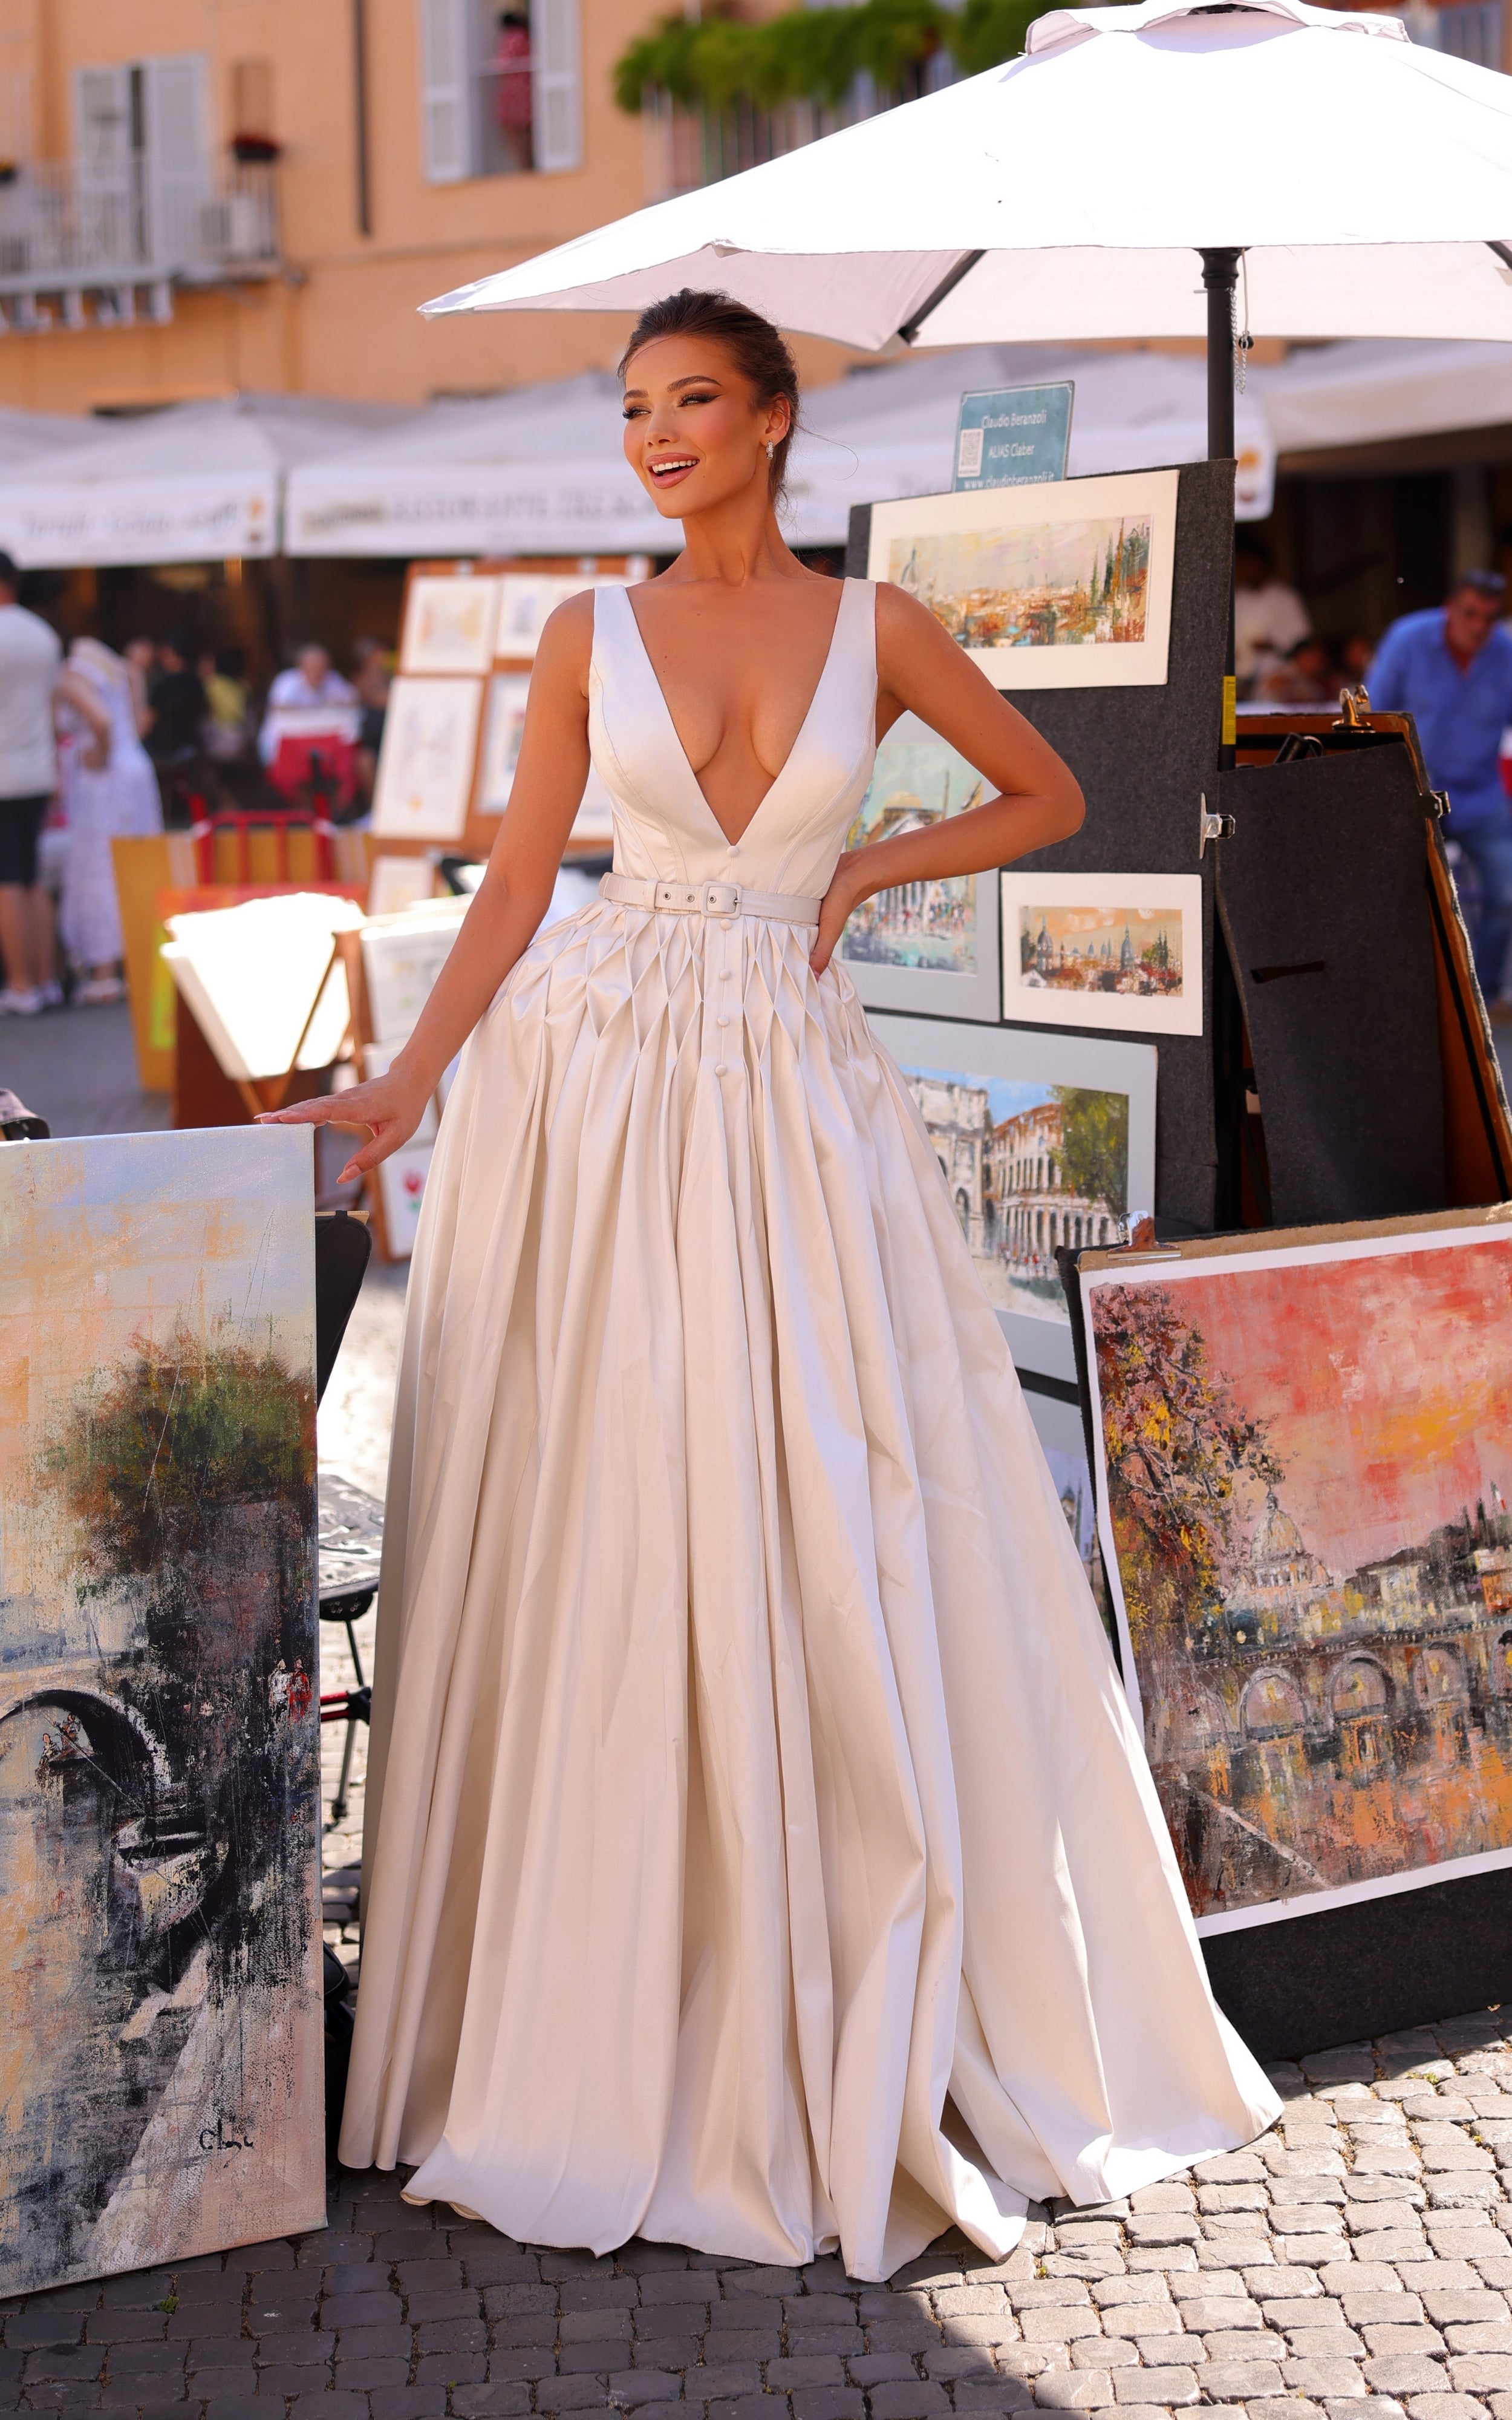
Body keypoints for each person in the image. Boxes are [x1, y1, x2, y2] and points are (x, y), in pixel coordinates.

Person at [262, 289, 1278, 2278]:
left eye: (692, 402)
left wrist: (873, 870)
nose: (656, 436)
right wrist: (403, 1081)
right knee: (615, 1486)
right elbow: (519, 877)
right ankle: (609, 1966)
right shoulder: (587, 632)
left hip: (795, 1088)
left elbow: (1051, 797)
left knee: (825, 1485)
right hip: (599, 1077)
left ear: (774, 418)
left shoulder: (876, 627)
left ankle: (819, 1947)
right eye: (633, 409)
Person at [1369, 570, 1512, 1002]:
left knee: (1507, 893)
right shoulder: (1407, 639)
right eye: (1470, 614)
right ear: (1449, 608)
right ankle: (1403, 992)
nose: (1479, 627)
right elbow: (1374, 713)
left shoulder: (1506, 652)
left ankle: (1482, 995)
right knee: (1396, 892)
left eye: (1490, 618)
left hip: (1478, 793)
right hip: (1413, 790)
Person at [55, 637, 162, 1003]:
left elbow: (101, 721)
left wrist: (99, 754)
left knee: (101, 867)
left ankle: (105, 971)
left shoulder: (74, 672)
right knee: (139, 865)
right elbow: (140, 722)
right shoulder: (122, 670)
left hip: (104, 779)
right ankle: (140, 962)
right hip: (136, 770)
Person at [0, 552, 62, 1016]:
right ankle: (46, 979)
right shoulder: (43, 634)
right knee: (32, 877)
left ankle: (21, 985)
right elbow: (52, 705)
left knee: (9, 881)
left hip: (4, 773)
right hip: (39, 768)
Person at [1233, 535, 1311, 696]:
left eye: (1252, 564)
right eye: (1244, 565)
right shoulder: (1238, 599)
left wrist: (1273, 645)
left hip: (1278, 675)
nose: (1248, 570)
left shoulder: (1286, 598)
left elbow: (1303, 644)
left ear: (1265, 565)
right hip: (1241, 677)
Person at [258, 640, 357, 765]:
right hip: (283, 746)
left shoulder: (332, 679)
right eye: (314, 667)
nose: (319, 671)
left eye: (323, 667)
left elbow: (353, 701)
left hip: (323, 744)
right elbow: (280, 707)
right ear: (302, 666)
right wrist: (321, 710)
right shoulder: (287, 681)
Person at [146, 630, 209, 818]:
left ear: (172, 653)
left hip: (163, 750)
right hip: (192, 746)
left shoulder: (161, 685)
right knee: (194, 786)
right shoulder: (196, 683)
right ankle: (200, 820)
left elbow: (149, 720)